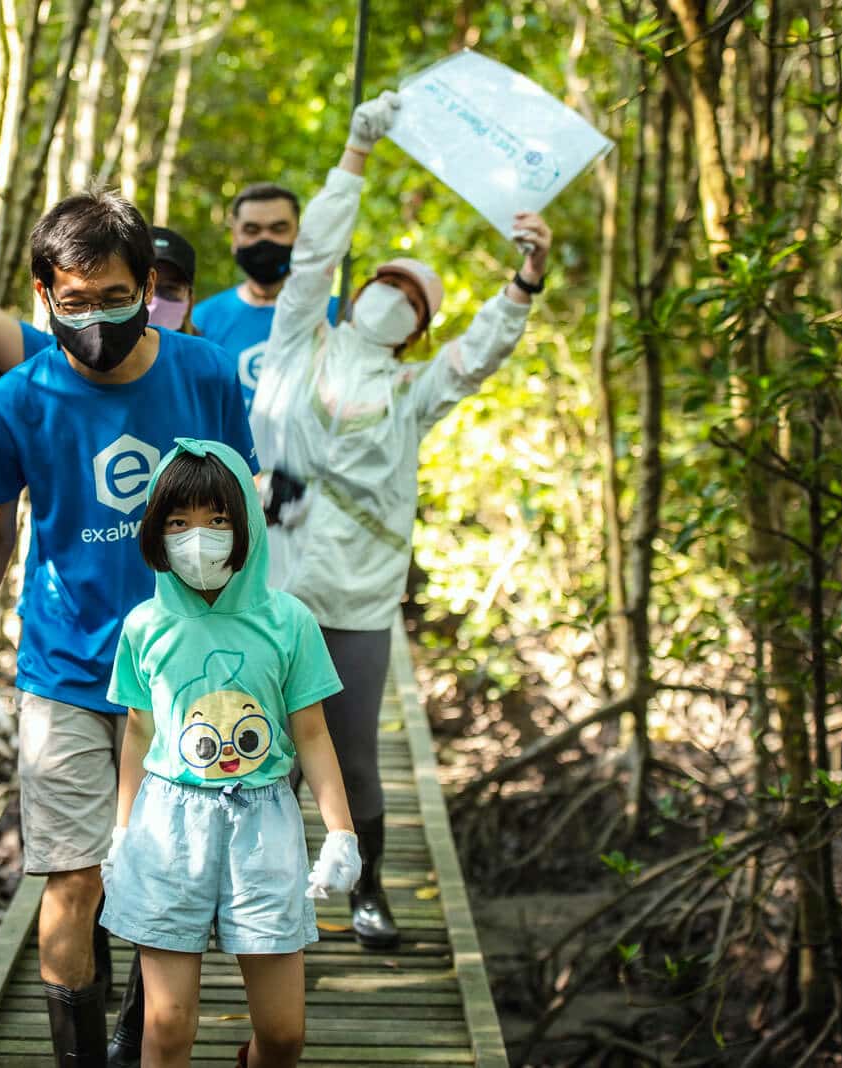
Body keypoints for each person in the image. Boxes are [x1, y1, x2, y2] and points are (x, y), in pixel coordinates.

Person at [0, 189, 257, 1067]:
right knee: (73, 879)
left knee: (168, 874)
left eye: (116, 298)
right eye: (74, 302)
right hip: (67, 672)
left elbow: (243, 509)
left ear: (148, 286)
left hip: (186, 672)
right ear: (44, 296)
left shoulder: (205, 374)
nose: (95, 319)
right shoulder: (16, 400)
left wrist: (257, 649)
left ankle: (132, 1031)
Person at [249, 91, 552, 951]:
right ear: (359, 293)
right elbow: (315, 255)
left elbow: (479, 354)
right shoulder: (299, 339)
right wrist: (355, 154)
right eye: (386, 283)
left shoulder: (413, 392)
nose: (394, 298)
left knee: (352, 755)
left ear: (419, 330)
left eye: (412, 300)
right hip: (268, 582)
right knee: (258, 751)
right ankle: (258, 892)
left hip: (355, 596)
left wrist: (525, 280)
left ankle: (368, 892)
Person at [101, 438, 361, 1068]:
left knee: (284, 1034)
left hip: (263, 824)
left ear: (246, 522)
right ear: (157, 532)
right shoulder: (143, 627)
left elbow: (312, 734)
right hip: (168, 826)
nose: (198, 538)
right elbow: (138, 732)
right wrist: (122, 832)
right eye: (178, 522)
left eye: (218, 519)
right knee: (167, 1026)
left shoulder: (289, 621)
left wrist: (341, 834)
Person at [0, 142, 203, 370]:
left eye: (170, 290)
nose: (156, 303)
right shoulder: (56, 363)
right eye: (79, 301)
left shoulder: (206, 371)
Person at [191, 183, 337, 412]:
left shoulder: (337, 315)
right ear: (235, 239)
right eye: (252, 230)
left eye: (278, 229)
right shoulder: (202, 320)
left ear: (299, 237)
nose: (265, 239)